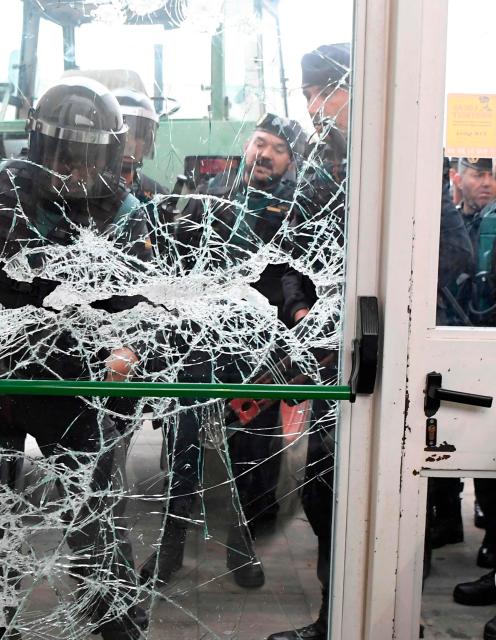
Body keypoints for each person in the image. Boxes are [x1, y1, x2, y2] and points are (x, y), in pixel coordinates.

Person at [0, 77, 150, 640]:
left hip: (70, 383)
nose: (74, 172)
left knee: (93, 516)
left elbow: (136, 301)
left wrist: (126, 348)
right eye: (64, 158)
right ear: (40, 148)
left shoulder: (121, 210)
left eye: (88, 160)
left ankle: (118, 624)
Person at [138, 112, 310, 592]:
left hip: (260, 354)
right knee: (183, 450)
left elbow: (298, 277)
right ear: (247, 147)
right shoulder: (212, 197)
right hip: (198, 345)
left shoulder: (297, 211)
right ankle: (171, 548)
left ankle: (242, 548)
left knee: (253, 459)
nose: (265, 154)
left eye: (278, 149)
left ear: (290, 161)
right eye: (260, 143)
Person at [266, 42, 351, 640]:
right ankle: (334, 618)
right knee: (325, 494)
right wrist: (298, 305)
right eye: (306, 96)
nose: (314, 109)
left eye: (322, 93)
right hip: (330, 361)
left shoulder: (398, 159)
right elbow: (294, 258)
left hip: (380, 356)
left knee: (376, 494)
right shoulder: (322, 170)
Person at [111, 87, 168, 202]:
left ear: (148, 141)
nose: (129, 144)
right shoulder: (88, 191)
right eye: (123, 135)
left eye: (138, 135)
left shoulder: (158, 195)